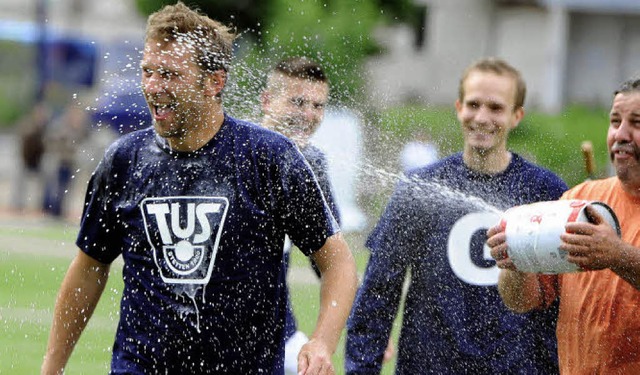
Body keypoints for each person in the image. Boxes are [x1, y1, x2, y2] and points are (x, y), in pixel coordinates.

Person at [41, 3, 357, 375]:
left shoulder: (270, 159)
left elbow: (337, 262)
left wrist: (322, 341)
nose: (154, 87)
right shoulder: (124, 160)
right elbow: (89, 268)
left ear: (215, 82)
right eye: (148, 72)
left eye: (170, 75)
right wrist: (52, 366)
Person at [345, 58, 568, 374]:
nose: (481, 117)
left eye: (495, 108)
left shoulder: (546, 191)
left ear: (517, 116)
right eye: (473, 104)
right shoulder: (419, 188)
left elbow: (566, 303)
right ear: (458, 107)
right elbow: (378, 293)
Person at [488, 78, 640, 374]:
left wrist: (617, 255)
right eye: (614, 121)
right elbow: (523, 301)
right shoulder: (579, 201)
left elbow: (617, 255)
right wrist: (513, 259)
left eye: (636, 122)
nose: (620, 134)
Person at [261, 56, 343, 374]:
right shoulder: (234, 152)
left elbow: (329, 262)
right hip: (223, 343)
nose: (309, 115)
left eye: (318, 106)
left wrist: (358, 316)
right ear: (267, 101)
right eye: (297, 102)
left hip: (281, 337)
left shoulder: (312, 163)